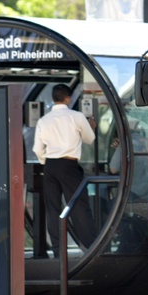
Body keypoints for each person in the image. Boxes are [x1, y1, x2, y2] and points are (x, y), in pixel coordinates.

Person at [32, 84, 97, 257]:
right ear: (67, 98)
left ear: (53, 99)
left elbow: (37, 150)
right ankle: (91, 247)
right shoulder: (76, 116)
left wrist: (46, 161)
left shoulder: (43, 121)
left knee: (53, 209)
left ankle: (58, 252)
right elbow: (89, 139)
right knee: (79, 207)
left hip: (50, 166)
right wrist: (91, 126)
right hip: (69, 166)